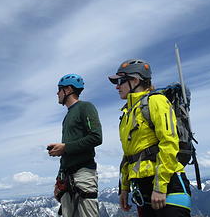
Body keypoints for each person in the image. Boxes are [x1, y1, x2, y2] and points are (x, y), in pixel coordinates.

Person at [108, 59, 191, 217]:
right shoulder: (128, 113)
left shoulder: (156, 101)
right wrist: (124, 188)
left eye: (120, 81)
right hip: (144, 190)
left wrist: (160, 186)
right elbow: (129, 156)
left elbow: (169, 142)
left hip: (169, 187)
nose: (117, 86)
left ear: (135, 80)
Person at [48, 73, 102, 217]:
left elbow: (96, 137)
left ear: (68, 90)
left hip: (84, 173)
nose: (57, 93)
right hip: (67, 176)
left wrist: (65, 147)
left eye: (59, 89)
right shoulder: (67, 117)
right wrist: (59, 178)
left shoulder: (86, 107)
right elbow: (68, 149)